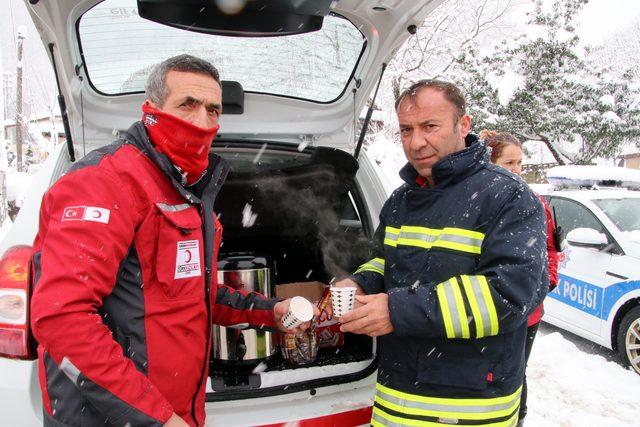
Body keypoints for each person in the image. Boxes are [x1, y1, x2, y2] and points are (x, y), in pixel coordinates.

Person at [30, 54, 315, 427]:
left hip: (179, 412)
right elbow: (61, 319)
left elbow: (193, 295)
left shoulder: (187, 190)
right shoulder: (104, 182)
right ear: (151, 110)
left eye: (213, 110)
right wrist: (156, 417)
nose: (202, 121)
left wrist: (270, 311)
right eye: (187, 105)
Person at [335, 79, 548, 426]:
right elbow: (383, 259)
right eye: (406, 129)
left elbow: (510, 294)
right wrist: (361, 283)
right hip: (396, 401)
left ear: (463, 125)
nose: (416, 142)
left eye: (429, 127)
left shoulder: (508, 196)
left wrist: (398, 309)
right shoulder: (402, 199)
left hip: (468, 409)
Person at [481, 129, 559, 425]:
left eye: (519, 163)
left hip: (527, 314)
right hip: (489, 308)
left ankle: (517, 418)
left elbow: (551, 250)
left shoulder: (535, 202)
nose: (516, 170)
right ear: (490, 163)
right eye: (508, 163)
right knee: (486, 371)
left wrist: (546, 281)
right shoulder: (478, 201)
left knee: (515, 372)